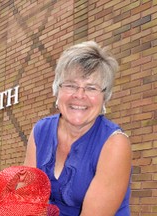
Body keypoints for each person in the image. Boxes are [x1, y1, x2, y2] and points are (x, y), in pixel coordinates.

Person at [24, 41, 132, 216]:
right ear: (57, 90)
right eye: (71, 85)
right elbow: (26, 200)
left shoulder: (115, 144)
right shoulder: (40, 131)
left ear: (105, 97)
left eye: (91, 88)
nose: (79, 95)